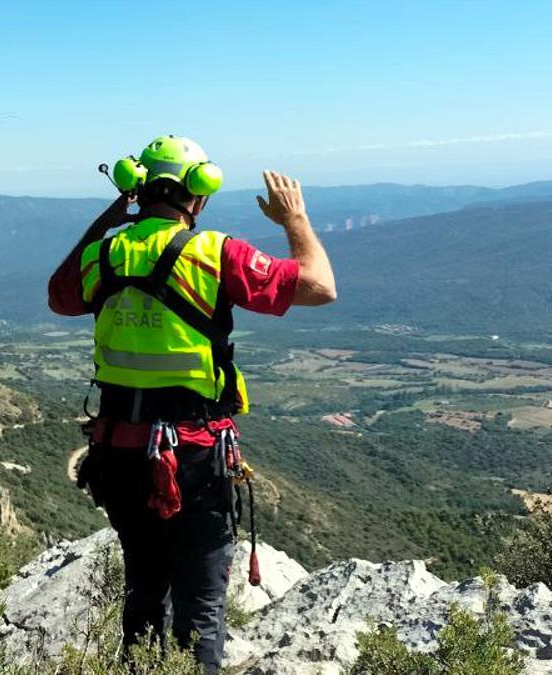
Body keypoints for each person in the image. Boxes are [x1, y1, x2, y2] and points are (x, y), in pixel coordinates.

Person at [47, 135, 336, 672]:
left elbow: (58, 294)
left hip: (119, 457)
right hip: (194, 459)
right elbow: (320, 286)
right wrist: (294, 220)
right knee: (199, 608)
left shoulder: (103, 255)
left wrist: (115, 214)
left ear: (137, 186)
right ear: (200, 193)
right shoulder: (215, 253)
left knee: (143, 593)